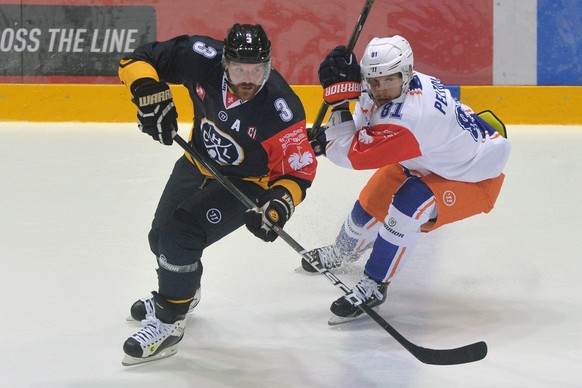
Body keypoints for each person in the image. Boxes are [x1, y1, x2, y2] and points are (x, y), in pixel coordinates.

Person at [118, 23, 317, 365]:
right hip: (197, 160)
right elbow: (137, 59)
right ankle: (183, 292)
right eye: (240, 68)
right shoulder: (200, 58)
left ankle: (169, 322)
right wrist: (149, 91)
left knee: (180, 237)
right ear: (225, 63)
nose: (249, 78)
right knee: (160, 237)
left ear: (268, 65)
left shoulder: (280, 107)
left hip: (248, 182)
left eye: (257, 70)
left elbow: (298, 171)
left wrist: (280, 204)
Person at [304, 35, 510, 325]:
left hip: (474, 177)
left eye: (388, 81)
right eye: (373, 81)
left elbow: (353, 155)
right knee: (369, 206)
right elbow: (365, 123)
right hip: (428, 159)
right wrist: (346, 81)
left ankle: (374, 285)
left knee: (408, 204)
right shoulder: (397, 81)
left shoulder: (414, 118)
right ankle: (342, 252)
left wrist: (338, 108)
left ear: (407, 74)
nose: (380, 89)